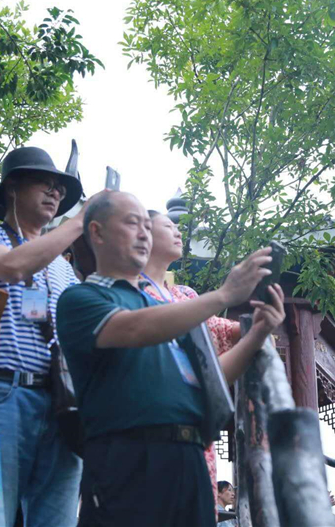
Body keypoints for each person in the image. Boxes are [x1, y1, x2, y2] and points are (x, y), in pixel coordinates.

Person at [57, 190, 283, 527]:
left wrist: (256, 335)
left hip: (189, 460)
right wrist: (222, 295)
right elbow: (133, 329)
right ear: (97, 233)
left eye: (147, 228)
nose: (143, 234)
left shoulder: (170, 310)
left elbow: (210, 380)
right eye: (132, 224)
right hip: (127, 459)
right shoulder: (83, 298)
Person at [0, 146, 88, 527]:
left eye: (60, 190)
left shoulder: (64, 271)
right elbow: (11, 267)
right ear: (12, 187)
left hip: (61, 403)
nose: (55, 193)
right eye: (44, 184)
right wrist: (80, 221)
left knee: (58, 520)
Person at [140, 210, 275, 510]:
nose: (177, 232)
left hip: (195, 424)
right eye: (167, 226)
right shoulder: (132, 290)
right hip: (150, 422)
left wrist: (257, 321)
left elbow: (220, 330)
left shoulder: (186, 294)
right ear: (142, 234)